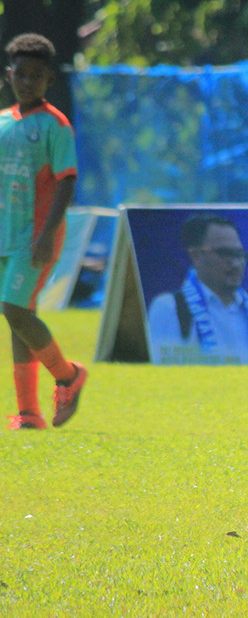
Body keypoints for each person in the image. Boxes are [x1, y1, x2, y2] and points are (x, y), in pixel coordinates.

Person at [0, 33, 87, 430]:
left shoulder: (56, 125)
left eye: (37, 75)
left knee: (14, 309)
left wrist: (47, 233)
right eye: (22, 74)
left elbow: (66, 181)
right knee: (20, 317)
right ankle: (29, 412)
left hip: (35, 238)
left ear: (49, 79)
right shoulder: (3, 122)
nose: (28, 81)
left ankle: (68, 375)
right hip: (6, 235)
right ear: (9, 75)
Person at [146, 213, 248, 365]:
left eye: (239, 254)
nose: (235, 263)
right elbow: (164, 377)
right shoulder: (171, 308)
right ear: (196, 256)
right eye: (225, 254)